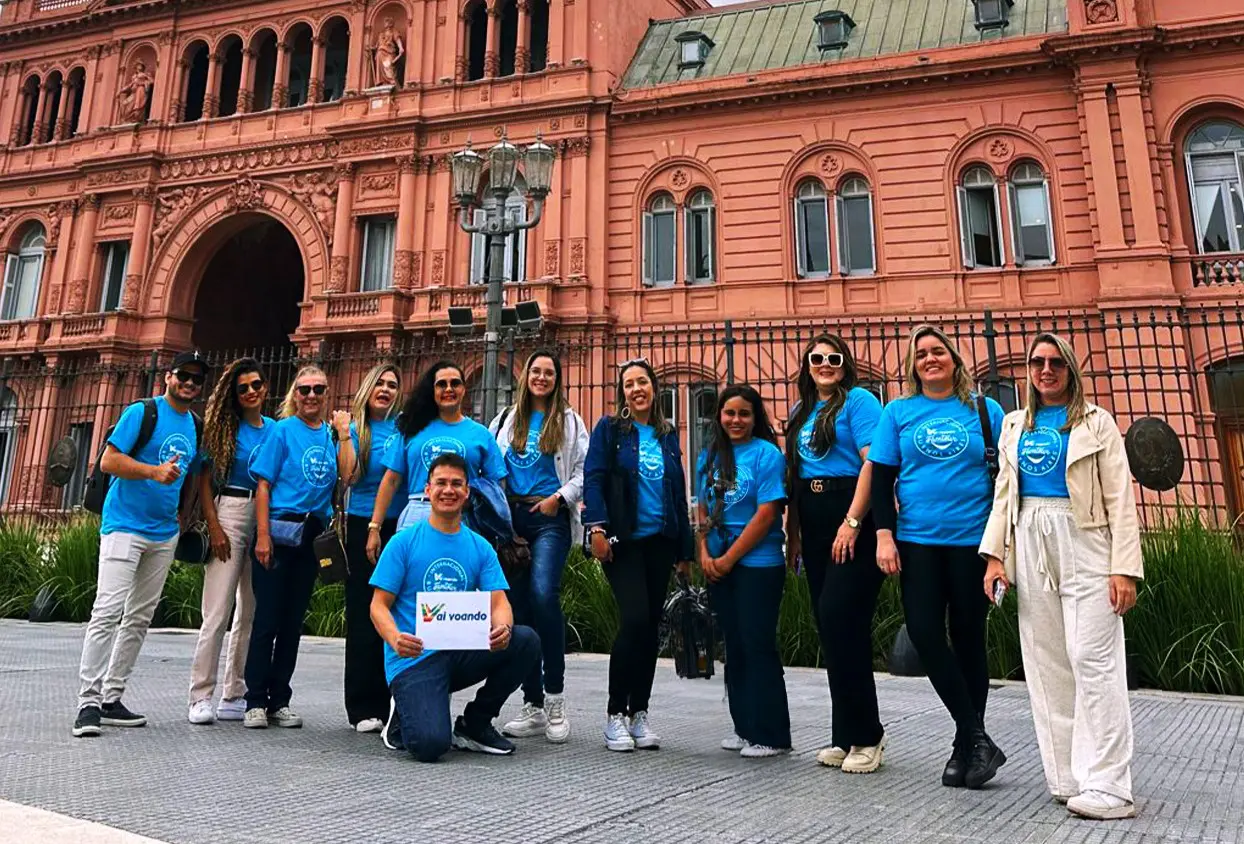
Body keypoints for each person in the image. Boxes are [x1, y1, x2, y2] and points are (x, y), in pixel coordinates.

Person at [980, 333, 1142, 820]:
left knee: (1092, 658)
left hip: (1085, 536)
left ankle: (1111, 784)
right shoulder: (1013, 424)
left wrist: (1123, 569)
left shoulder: (1097, 423)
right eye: (1037, 362)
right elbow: (1005, 495)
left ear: (1070, 369)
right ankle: (1067, 776)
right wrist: (995, 557)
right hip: (1029, 534)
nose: (1045, 370)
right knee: (1046, 661)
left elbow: (1120, 498)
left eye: (1055, 363)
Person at [868, 324, 1007, 789]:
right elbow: (882, 481)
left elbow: (1006, 485)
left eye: (938, 351)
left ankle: (965, 748)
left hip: (972, 542)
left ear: (955, 359)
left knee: (969, 640)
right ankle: (976, 736)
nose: (931, 359)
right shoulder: (898, 412)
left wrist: (998, 553)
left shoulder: (985, 410)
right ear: (913, 366)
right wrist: (884, 536)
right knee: (926, 633)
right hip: (918, 542)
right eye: (922, 354)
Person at [371, 452, 540, 762]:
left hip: (460, 649)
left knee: (525, 640)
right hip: (414, 658)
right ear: (427, 490)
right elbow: (378, 606)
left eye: (456, 484)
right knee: (429, 746)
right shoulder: (403, 543)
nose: (448, 490)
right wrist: (395, 638)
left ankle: (475, 723)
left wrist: (502, 627)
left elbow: (499, 601)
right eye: (441, 483)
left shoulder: (480, 546)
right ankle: (404, 711)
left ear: (466, 493)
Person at [73, 350, 206, 738]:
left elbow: (196, 474)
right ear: (168, 376)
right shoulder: (141, 412)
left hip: (164, 532)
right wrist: (152, 471)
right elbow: (109, 462)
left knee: (138, 617)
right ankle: (88, 702)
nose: (189, 384)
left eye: (197, 379)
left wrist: (188, 514)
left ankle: (112, 697)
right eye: (184, 375)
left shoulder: (196, 425)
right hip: (124, 526)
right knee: (108, 610)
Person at [785, 334, 886, 773]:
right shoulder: (801, 411)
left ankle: (870, 736)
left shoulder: (859, 401)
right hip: (813, 513)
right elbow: (796, 476)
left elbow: (874, 462)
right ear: (807, 365)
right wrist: (794, 535)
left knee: (841, 617)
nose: (825, 364)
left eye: (833, 358)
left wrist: (854, 521)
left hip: (850, 512)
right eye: (816, 358)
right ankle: (844, 734)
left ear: (845, 364)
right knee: (832, 628)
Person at [583, 358, 694, 752]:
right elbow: (593, 478)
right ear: (622, 393)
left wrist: (685, 550)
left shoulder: (667, 435)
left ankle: (639, 713)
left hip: (660, 542)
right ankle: (615, 713)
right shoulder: (611, 430)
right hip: (622, 541)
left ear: (653, 387)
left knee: (649, 626)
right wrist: (595, 527)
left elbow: (678, 493)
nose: (636, 389)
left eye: (642, 381)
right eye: (628, 384)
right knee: (634, 619)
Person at [489, 350, 588, 744]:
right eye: (536, 371)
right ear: (526, 376)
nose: (541, 378)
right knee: (521, 608)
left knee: (544, 594)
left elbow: (584, 471)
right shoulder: (505, 419)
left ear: (557, 379)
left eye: (549, 372)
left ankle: (555, 696)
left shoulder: (568, 421)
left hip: (549, 518)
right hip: (512, 522)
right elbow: (491, 468)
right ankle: (531, 704)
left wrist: (559, 498)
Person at [244, 365, 349, 729]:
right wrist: (261, 536)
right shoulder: (283, 431)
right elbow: (263, 485)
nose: (311, 396)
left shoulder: (331, 436)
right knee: (267, 619)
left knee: (292, 623)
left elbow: (347, 476)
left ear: (326, 394)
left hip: (313, 533)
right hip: (279, 528)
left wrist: (346, 433)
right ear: (294, 394)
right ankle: (255, 700)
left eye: (319, 390)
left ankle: (279, 700)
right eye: (304, 389)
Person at [696, 384, 791, 758]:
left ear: (756, 418)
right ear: (719, 416)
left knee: (757, 644)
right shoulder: (710, 456)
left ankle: (771, 733)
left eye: (744, 414)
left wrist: (728, 558)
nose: (736, 420)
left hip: (757, 564)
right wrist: (704, 552)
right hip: (720, 563)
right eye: (729, 413)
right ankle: (743, 725)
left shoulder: (767, 455)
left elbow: (767, 514)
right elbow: (702, 508)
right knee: (733, 646)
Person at [187, 357, 273, 725]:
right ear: (233, 395)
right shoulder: (224, 428)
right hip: (231, 509)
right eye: (243, 388)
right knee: (218, 611)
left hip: (266, 515)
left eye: (256, 384)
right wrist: (215, 526)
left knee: (250, 611)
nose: (251, 391)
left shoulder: (274, 429)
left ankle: (234, 690)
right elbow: (205, 479)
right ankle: (200, 694)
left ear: (265, 387)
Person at [368, 360, 506, 561]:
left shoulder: (481, 434)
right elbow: (391, 480)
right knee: (410, 585)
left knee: (458, 582)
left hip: (462, 515)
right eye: (441, 384)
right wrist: (375, 527)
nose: (448, 389)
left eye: (455, 384)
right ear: (431, 391)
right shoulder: (411, 428)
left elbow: (497, 484)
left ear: (464, 389)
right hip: (417, 511)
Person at [336, 364, 403, 734]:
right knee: (364, 612)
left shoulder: (403, 428)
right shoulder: (357, 429)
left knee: (397, 612)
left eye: (392, 385)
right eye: (379, 382)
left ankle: (396, 697)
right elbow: (347, 476)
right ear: (366, 387)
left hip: (400, 525)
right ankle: (363, 705)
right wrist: (345, 436)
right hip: (364, 526)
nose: (386, 390)